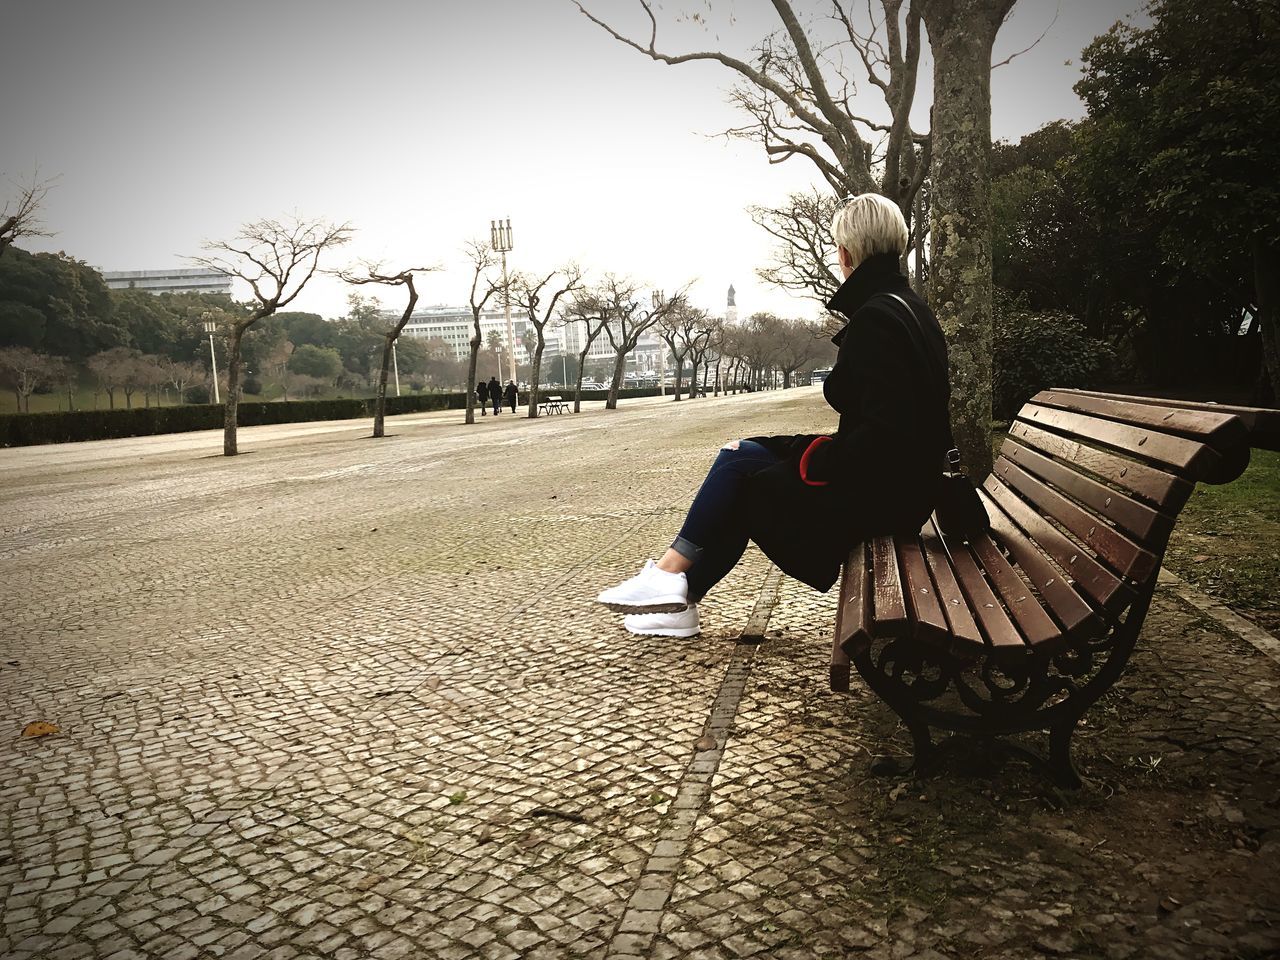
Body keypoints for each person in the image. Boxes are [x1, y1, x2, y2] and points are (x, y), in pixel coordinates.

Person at [596, 193, 950, 638]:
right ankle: (675, 591)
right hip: (901, 488)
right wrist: (791, 449)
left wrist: (811, 460)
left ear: (847, 253)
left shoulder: (877, 319)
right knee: (741, 456)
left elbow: (883, 436)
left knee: (742, 474)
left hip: (881, 499)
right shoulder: (907, 309)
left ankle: (674, 585)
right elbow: (890, 423)